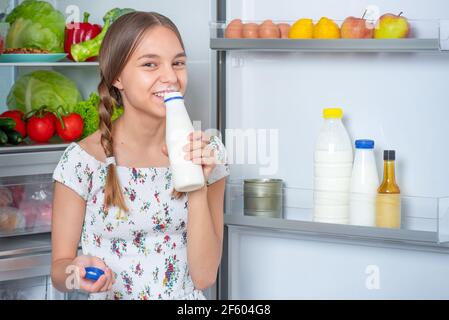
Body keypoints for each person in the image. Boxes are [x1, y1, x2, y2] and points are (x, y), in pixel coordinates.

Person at [50, 11, 229, 300]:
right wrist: (76, 270)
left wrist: (196, 181)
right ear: (118, 76)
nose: (170, 77)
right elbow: (59, 274)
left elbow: (205, 276)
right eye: (150, 64)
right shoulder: (82, 162)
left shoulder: (209, 154)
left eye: (178, 63)